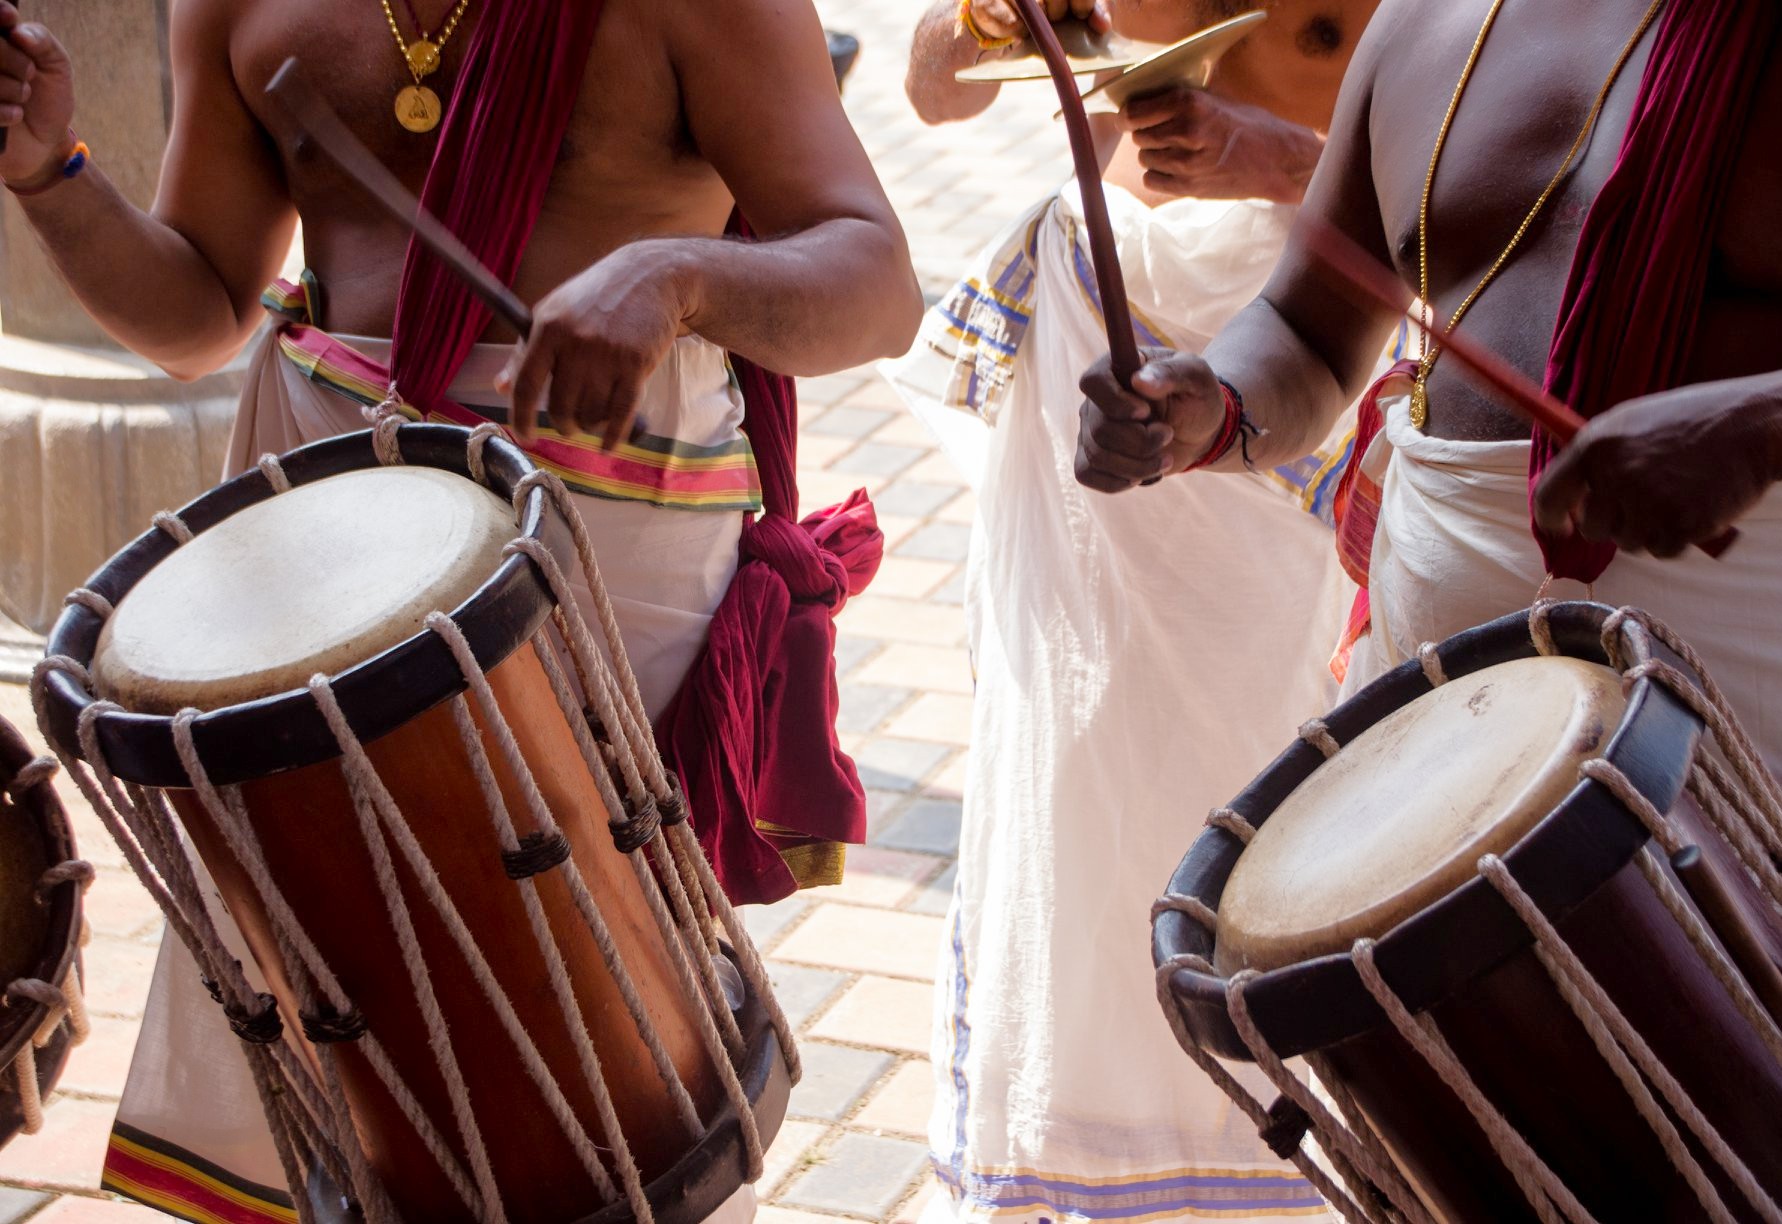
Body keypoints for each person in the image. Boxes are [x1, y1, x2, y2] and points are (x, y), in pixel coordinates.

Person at [0, 0, 920, 1218]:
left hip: (595, 544)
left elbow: (877, 281)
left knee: (593, 1014)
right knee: (324, 977)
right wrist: (51, 172)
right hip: (323, 536)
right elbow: (201, 311)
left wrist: (675, 273)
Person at [887, 1, 1386, 1218]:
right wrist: (975, 24)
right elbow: (937, 94)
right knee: (1078, 758)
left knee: (1281, 760)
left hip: (1296, 361)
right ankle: (1088, 1150)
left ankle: (1280, 1159)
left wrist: (1270, 159)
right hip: (1100, 363)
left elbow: (1451, 185)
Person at [1074, 0, 1782, 758]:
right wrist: (1214, 406)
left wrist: (1754, 427)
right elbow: (1305, 329)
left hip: (1735, 710)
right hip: (1428, 698)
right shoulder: (1426, 19)